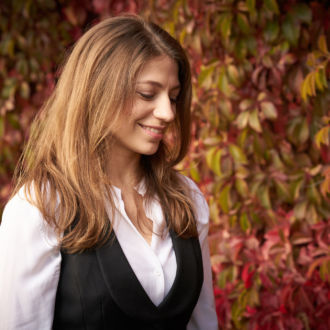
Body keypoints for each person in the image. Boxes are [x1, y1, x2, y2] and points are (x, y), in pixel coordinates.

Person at [0, 15, 218, 330]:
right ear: (97, 90)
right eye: (147, 94)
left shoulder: (187, 198)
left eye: (173, 96)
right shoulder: (42, 207)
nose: (168, 112)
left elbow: (203, 322)